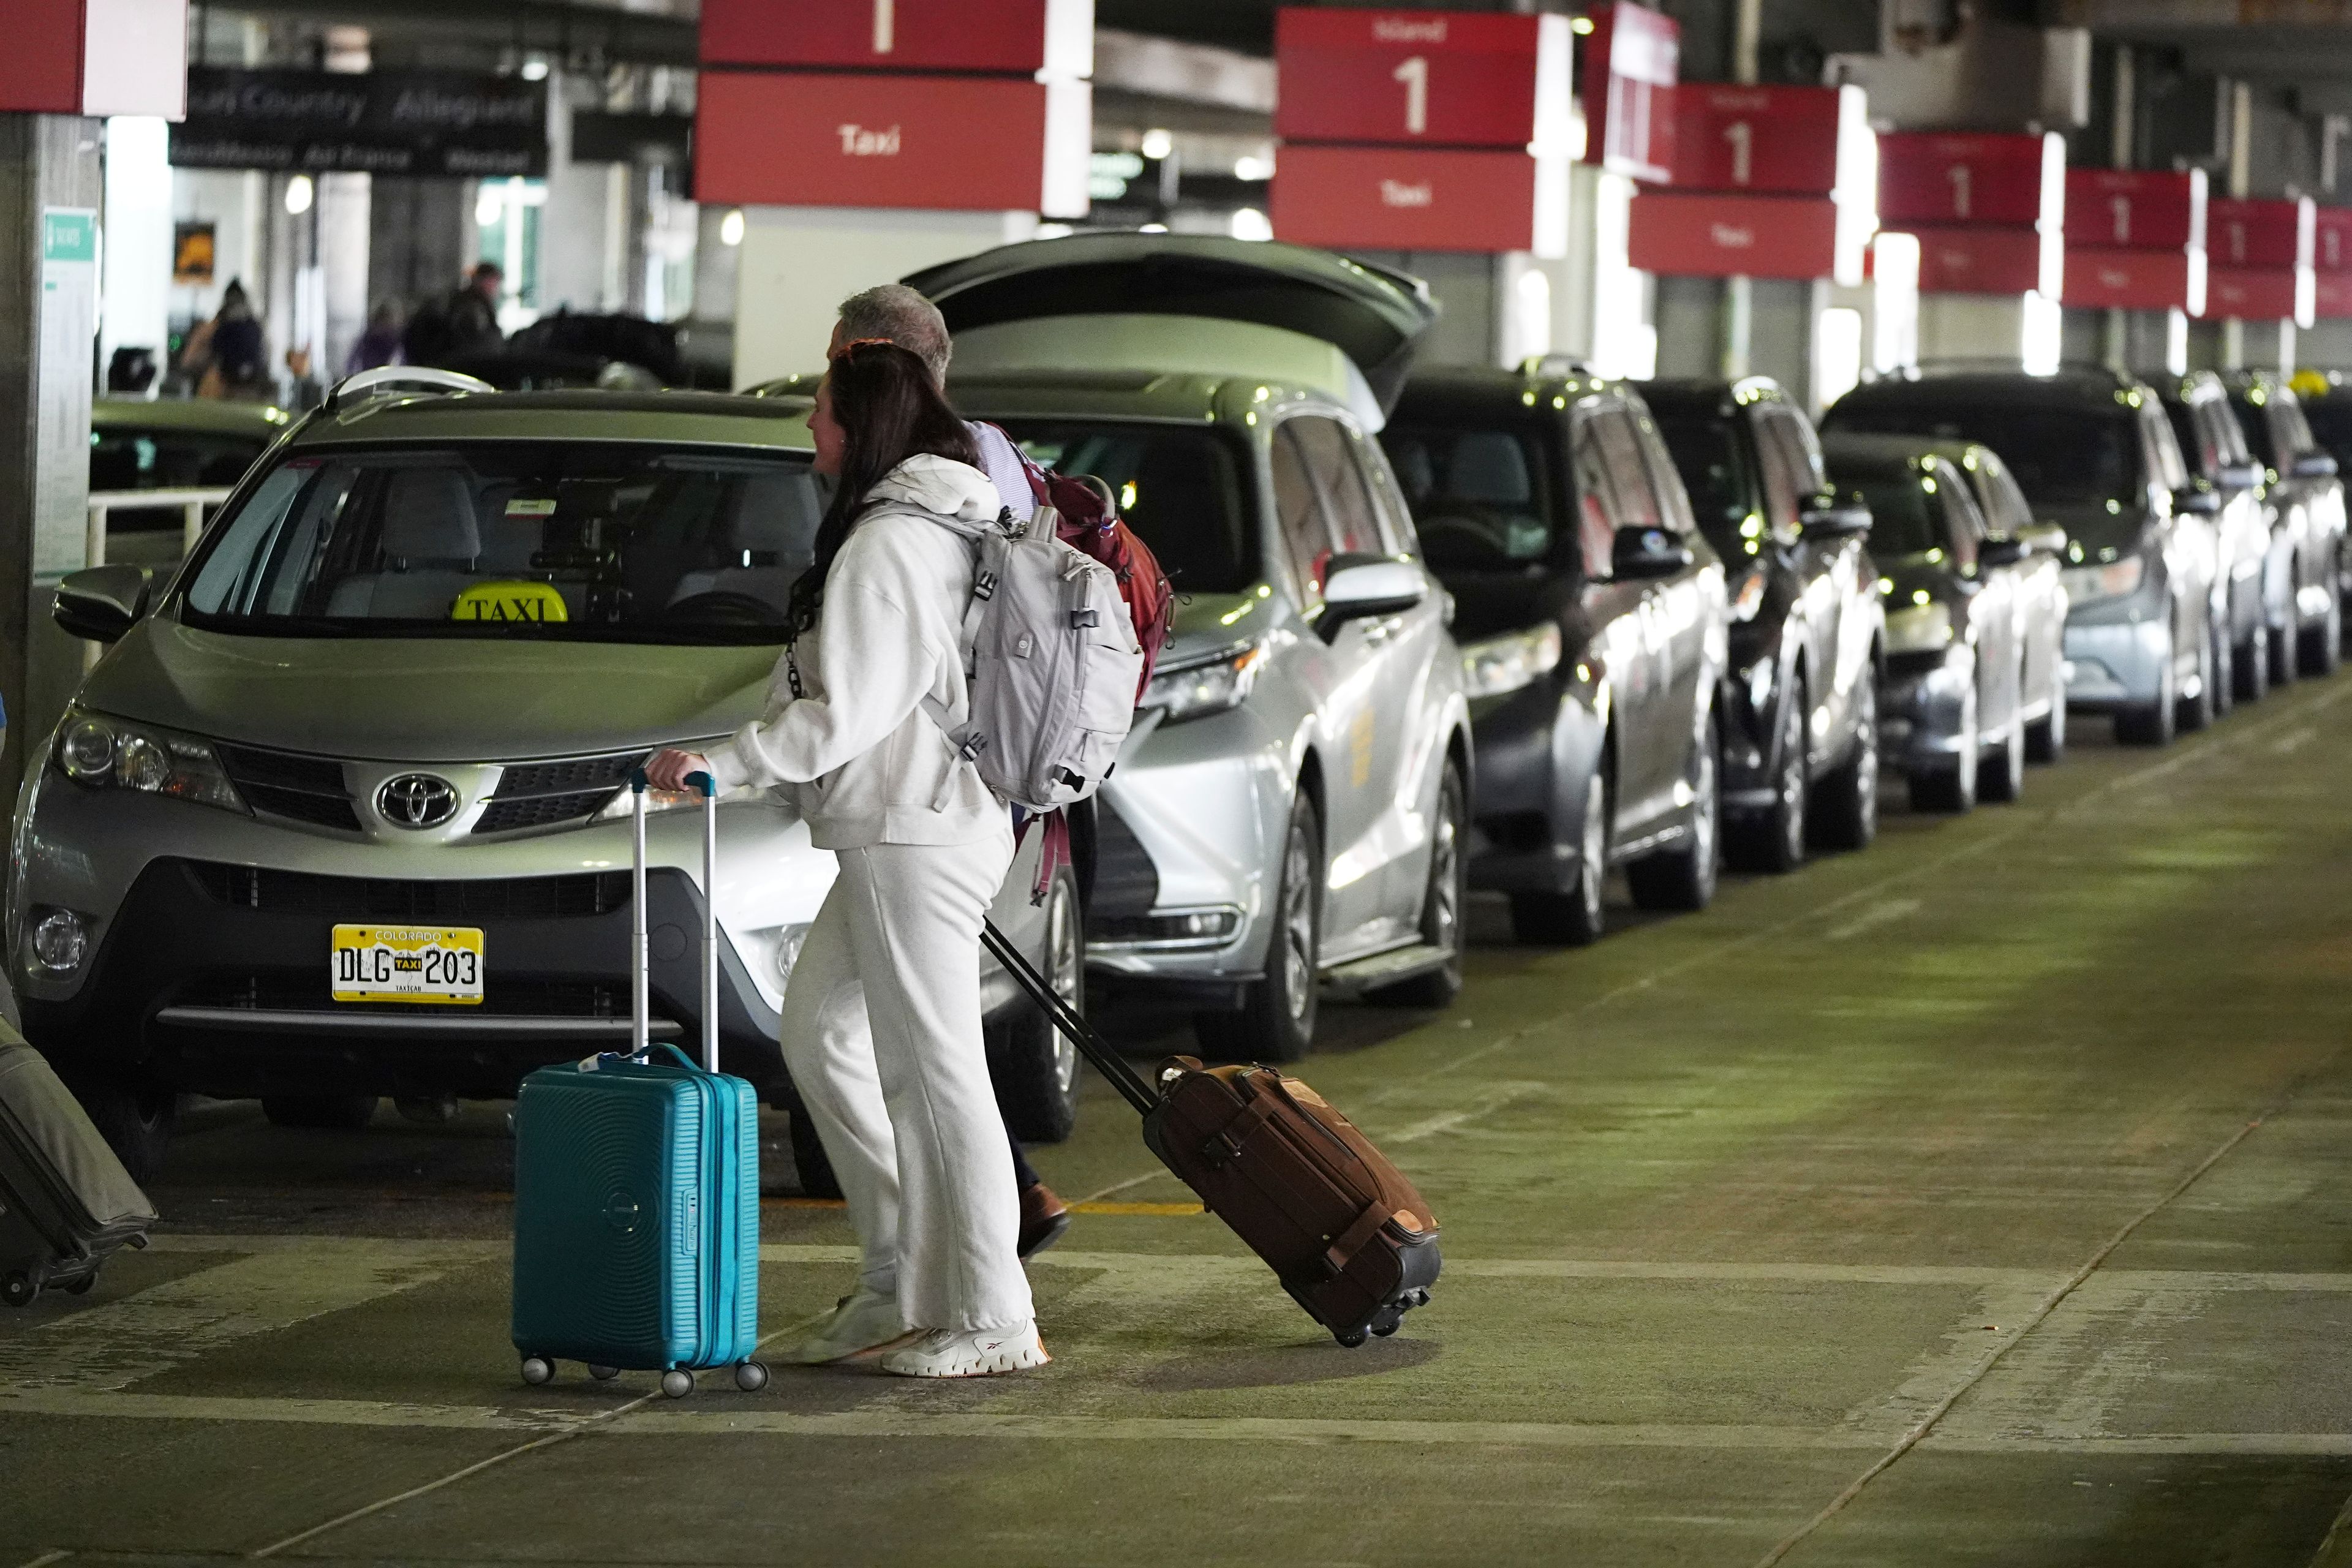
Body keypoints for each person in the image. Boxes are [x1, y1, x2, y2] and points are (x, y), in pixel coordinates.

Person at [645, 340, 1047, 1379]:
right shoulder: (948, 516)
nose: (812, 432)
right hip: (912, 827)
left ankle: (995, 1315)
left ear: (864, 425)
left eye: (824, 412)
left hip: (916, 831)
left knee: (938, 1074)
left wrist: (721, 769)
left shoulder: (891, 543)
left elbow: (852, 713)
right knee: (823, 1035)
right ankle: (895, 1288)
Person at [826, 285, 1072, 1260]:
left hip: (928, 799)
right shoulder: (991, 464)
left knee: (930, 1055)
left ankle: (978, 1281)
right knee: (856, 1036)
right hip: (987, 786)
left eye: (835, 370)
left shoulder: (909, 500)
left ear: (871, 363)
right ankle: (923, 1262)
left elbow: (891, 673)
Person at [345, 298, 407, 375]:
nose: (385, 325)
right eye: (383, 320)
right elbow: (352, 367)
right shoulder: (365, 343)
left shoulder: (397, 345)